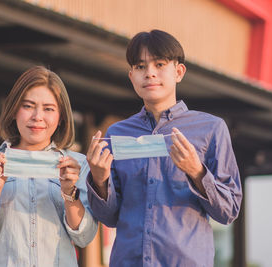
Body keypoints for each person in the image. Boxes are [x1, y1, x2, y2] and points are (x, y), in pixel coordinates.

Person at [86, 30, 242, 266]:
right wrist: (99, 180)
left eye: (159, 64)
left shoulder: (211, 129)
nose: (149, 73)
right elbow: (108, 218)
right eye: (140, 67)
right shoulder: (117, 134)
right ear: (131, 76)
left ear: (178, 72)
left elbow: (228, 211)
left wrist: (197, 172)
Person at [0, 66, 97, 266]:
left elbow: (84, 237)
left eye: (49, 109)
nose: (37, 116)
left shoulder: (77, 165)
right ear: (14, 110)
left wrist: (70, 193)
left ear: (60, 118)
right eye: (28, 106)